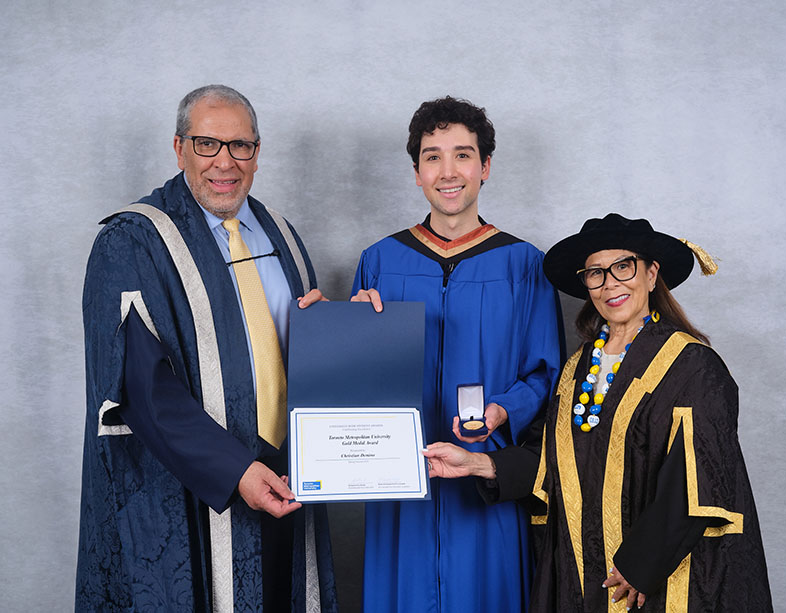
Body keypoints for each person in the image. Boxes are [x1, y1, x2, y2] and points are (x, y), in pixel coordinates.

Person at [424, 213, 774, 612]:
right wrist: (477, 463)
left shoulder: (693, 366)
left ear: (651, 273)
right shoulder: (578, 369)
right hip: (583, 573)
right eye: (595, 273)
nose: (610, 284)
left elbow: (697, 478)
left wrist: (640, 566)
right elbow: (553, 460)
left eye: (623, 267)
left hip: (662, 577)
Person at [76, 85, 337, 612]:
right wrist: (235, 470)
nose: (225, 163)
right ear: (178, 148)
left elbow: (293, 358)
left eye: (240, 146)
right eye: (207, 145)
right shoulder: (132, 241)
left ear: (257, 153)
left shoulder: (281, 236)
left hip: (285, 481)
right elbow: (141, 385)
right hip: (185, 495)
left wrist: (344, 329)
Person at [350, 96, 564, 612]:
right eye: (432, 156)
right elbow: (351, 382)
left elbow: (544, 374)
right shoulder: (379, 262)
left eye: (463, 155)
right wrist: (347, 327)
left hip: (483, 483)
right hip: (400, 489)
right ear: (417, 173)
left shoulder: (525, 265)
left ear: (485, 167)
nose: (448, 171)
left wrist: (502, 411)